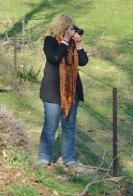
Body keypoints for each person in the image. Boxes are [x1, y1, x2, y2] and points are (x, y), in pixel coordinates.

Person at [38, 13, 88, 167]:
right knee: (50, 125)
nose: (72, 32)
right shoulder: (50, 41)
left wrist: (78, 44)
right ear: (62, 28)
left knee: (69, 126)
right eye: (70, 28)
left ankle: (69, 159)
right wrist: (65, 40)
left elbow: (84, 61)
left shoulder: (72, 44)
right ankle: (44, 157)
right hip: (53, 92)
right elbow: (54, 57)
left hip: (72, 92)